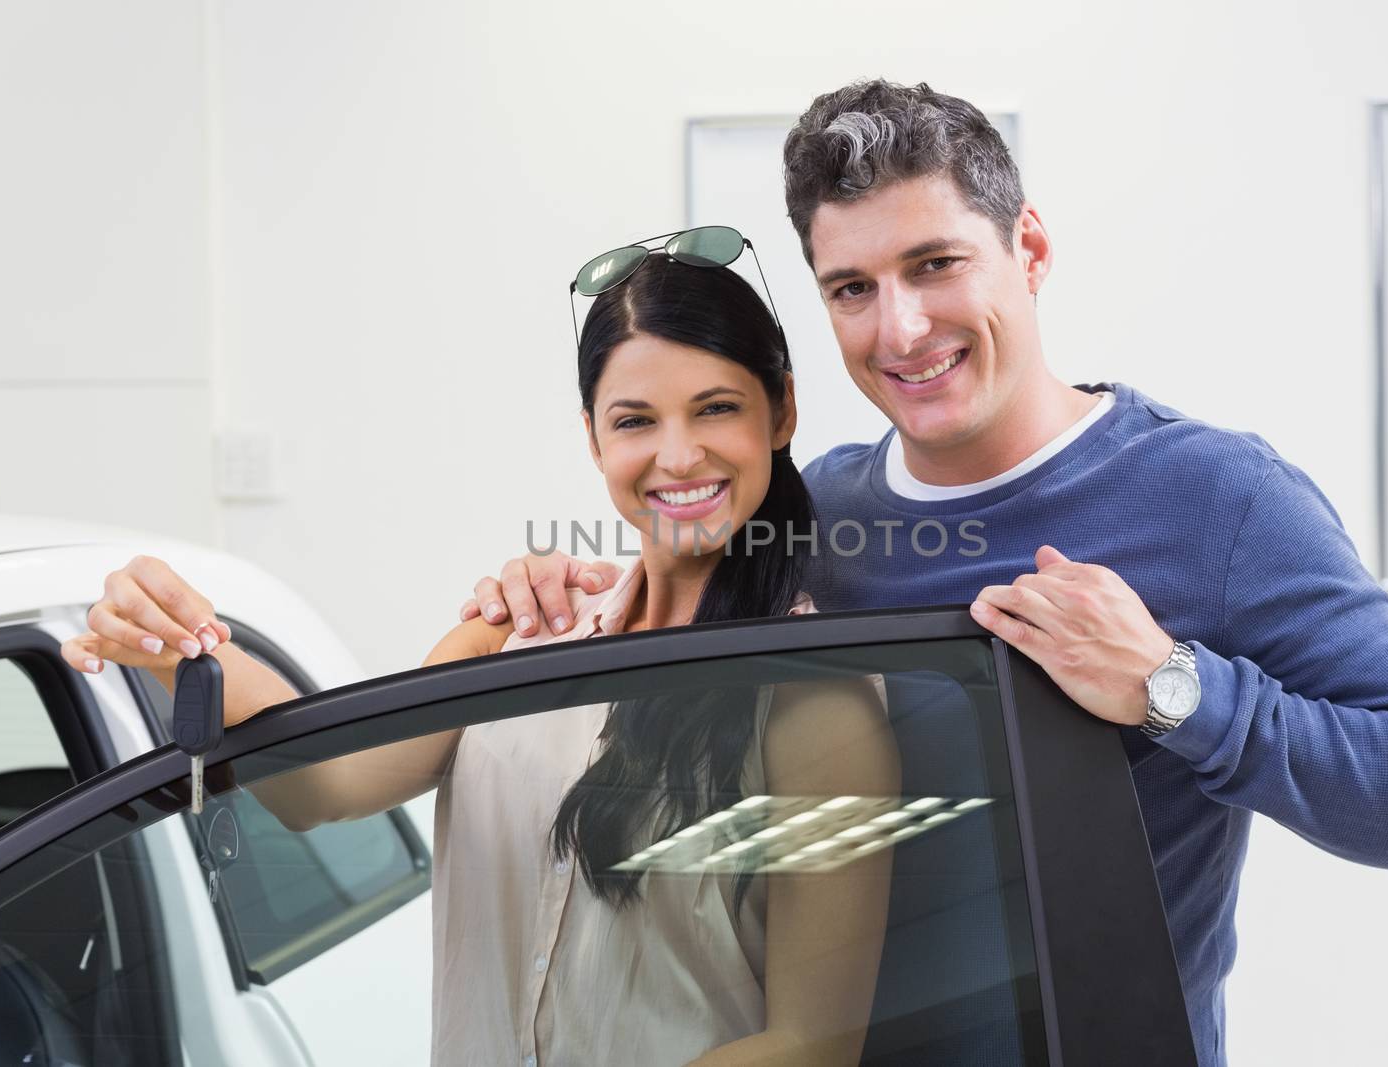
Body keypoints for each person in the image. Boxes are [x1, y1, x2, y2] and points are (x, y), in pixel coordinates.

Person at [468, 80, 1388, 1066]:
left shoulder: (1216, 498)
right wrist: (543, 590)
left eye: (934, 264)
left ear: (1031, 248)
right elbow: (665, 630)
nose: (901, 328)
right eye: (852, 288)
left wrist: (1171, 686)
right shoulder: (811, 513)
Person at [60, 246, 899, 1066]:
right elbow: (324, 784)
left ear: (781, 411)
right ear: (593, 438)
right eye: (635, 420)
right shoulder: (514, 635)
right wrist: (180, 642)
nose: (677, 455)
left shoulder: (814, 700)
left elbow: (812, 1043)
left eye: (716, 408)